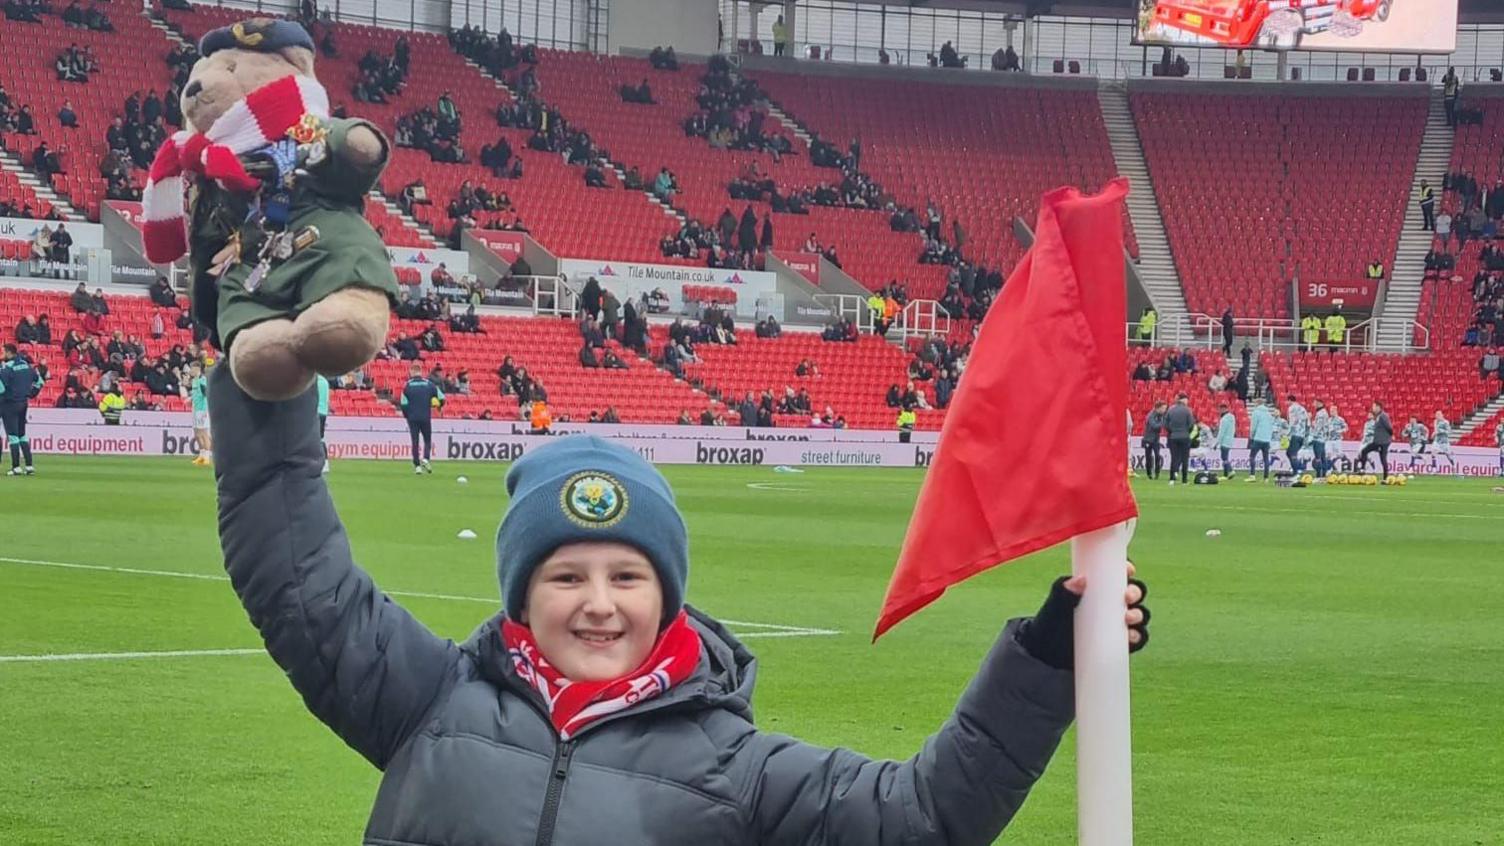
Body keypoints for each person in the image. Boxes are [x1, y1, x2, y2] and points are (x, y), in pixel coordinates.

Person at [203, 367, 1152, 845]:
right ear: (523, 598)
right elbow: (297, 575)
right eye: (565, 577)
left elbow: (926, 817)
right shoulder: (427, 701)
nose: (598, 606)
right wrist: (266, 385)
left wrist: (1050, 658)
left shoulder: (733, 766)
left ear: (667, 597)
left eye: (627, 577)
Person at [0, 344, 43, 475]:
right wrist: (32, 394)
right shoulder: (27, 366)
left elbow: (1, 389)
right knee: (22, 435)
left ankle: (16, 467)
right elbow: (40, 381)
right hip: (23, 403)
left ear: (8, 353)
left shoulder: (7, 369)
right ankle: (29, 466)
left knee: (13, 436)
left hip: (9, 404)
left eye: (4, 352)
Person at [400, 363, 443, 474]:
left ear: (412, 372)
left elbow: (403, 404)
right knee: (427, 440)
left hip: (413, 418)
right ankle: (426, 459)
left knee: (415, 441)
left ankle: (417, 466)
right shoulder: (429, 384)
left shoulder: (407, 385)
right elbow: (442, 398)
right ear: (421, 372)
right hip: (425, 416)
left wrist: (407, 416)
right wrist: (438, 405)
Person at [1357, 402, 1394, 480]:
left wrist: (1389, 436)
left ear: (1378, 407)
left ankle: (1385, 477)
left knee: (1382, 458)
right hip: (1378, 441)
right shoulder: (1378, 416)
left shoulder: (1383, 416)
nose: (1373, 408)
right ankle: (1363, 469)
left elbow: (1389, 427)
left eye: (1374, 406)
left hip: (1382, 442)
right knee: (1365, 451)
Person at [1164, 393, 1195, 485]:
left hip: (1173, 437)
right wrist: (1186, 432)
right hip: (1185, 437)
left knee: (1174, 458)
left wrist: (1172, 431)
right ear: (1184, 400)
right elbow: (1191, 424)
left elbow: (1166, 424)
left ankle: (1172, 479)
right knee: (1185, 459)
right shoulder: (1187, 410)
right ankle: (1184, 480)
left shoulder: (1170, 410)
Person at [189, 363, 213, 467]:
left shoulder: (202, 380)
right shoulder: (194, 381)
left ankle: (207, 457)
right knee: (197, 434)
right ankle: (201, 455)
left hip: (202, 410)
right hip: (195, 409)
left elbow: (205, 393)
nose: (191, 370)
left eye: (192, 368)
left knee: (204, 433)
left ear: (197, 369)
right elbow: (196, 394)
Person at [1247, 397, 1275, 482]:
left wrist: (1251, 436)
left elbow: (1253, 426)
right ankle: (1266, 478)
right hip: (1266, 439)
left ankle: (1252, 475)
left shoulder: (1256, 412)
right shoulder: (1269, 414)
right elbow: (1271, 427)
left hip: (1258, 438)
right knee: (1266, 458)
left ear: (1257, 404)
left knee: (1252, 457)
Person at [1141, 401, 1166, 480]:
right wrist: (1163, 422)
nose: (1164, 410)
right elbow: (1154, 426)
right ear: (1158, 408)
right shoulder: (1151, 415)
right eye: (1163, 408)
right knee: (1148, 457)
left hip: (1155, 440)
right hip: (1148, 439)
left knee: (1157, 456)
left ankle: (1157, 473)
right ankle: (1149, 473)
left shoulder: (1160, 416)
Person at [1285, 395, 1309, 474]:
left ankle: (1296, 472)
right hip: (1302, 435)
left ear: (1290, 400)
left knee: (1293, 455)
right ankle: (1300, 466)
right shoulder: (1303, 409)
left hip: (1295, 434)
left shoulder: (1291, 408)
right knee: (1289, 452)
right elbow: (1307, 423)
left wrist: (1287, 434)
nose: (1287, 403)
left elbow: (1292, 422)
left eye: (1287, 401)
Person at [1431, 410, 1458, 475]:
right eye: (1436, 415)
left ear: (1442, 415)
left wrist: (1439, 431)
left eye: (1438, 414)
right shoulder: (1435, 421)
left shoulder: (1446, 422)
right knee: (1433, 452)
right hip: (1437, 441)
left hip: (1444, 441)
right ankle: (1434, 468)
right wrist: (1434, 433)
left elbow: (1449, 431)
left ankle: (1453, 465)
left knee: (1448, 455)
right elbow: (1435, 430)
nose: (1437, 416)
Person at [1216, 402, 1236, 479]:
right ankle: (1227, 473)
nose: (1219, 411)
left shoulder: (1224, 419)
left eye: (1220, 409)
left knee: (1224, 457)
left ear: (1223, 409)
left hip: (1224, 440)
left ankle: (1229, 471)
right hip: (1230, 439)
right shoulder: (1232, 417)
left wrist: (1217, 442)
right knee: (1225, 457)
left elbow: (1221, 432)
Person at [316, 373, 331, 474]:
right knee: (320, 438)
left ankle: (320, 462)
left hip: (315, 411)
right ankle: (325, 463)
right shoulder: (325, 382)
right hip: (323, 412)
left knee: (314, 438)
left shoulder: (315, 382)